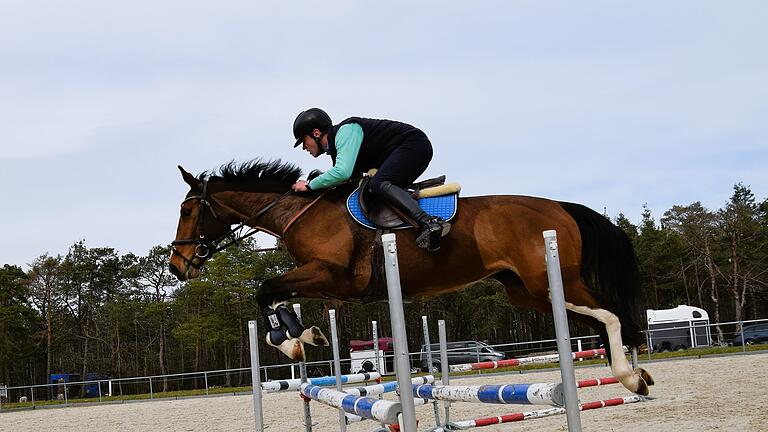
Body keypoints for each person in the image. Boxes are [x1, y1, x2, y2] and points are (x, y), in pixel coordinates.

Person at [291, 108, 450, 251]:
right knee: (373, 189)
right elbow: (347, 182)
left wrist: (310, 185)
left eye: (303, 141)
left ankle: (429, 222)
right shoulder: (338, 148)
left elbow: (342, 173)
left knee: (378, 183)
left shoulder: (345, 132)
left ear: (316, 133)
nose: (304, 147)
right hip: (409, 149)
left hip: (413, 145)